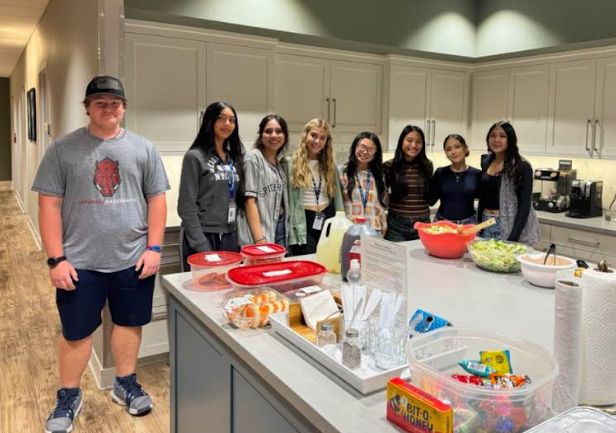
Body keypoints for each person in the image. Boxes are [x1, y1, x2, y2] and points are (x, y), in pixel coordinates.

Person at [32, 76, 170, 433]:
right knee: (76, 332)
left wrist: (154, 248)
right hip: (79, 263)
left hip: (133, 258)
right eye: (100, 102)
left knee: (129, 323)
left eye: (114, 102)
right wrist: (56, 259)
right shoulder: (63, 149)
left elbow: (157, 200)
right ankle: (68, 396)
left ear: (124, 107)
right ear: (87, 107)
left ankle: (125, 383)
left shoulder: (143, 148)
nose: (108, 108)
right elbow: (49, 205)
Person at [177, 102, 244, 270]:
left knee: (227, 283)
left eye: (232, 120)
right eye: (221, 118)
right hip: (203, 235)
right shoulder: (195, 157)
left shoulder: (234, 158)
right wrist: (201, 246)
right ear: (209, 121)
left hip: (229, 235)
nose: (227, 124)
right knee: (204, 284)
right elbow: (186, 206)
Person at [282, 118, 344, 255]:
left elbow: (338, 198)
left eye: (322, 138)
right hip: (303, 219)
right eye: (314, 135)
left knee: (328, 259)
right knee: (308, 259)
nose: (317, 141)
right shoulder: (289, 163)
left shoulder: (330, 165)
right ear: (305, 135)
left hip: (327, 217)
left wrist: (341, 223)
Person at [477, 121, 539, 244]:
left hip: (508, 225)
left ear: (510, 140)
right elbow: (483, 196)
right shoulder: (486, 162)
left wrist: (513, 237)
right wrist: (479, 224)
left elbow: (524, 206)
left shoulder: (521, 166)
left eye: (502, 136)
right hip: (486, 222)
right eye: (492, 135)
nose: (496, 140)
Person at [238, 114, 289, 247]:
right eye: (268, 131)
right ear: (261, 135)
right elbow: (249, 201)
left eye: (278, 131)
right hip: (259, 233)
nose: (274, 135)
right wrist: (259, 240)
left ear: (285, 136)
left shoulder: (278, 163)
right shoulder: (253, 158)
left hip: (278, 229)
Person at [384, 125, 433, 242]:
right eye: (409, 140)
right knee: (397, 254)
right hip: (396, 225)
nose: (414, 145)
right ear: (402, 141)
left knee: (422, 254)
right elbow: (383, 194)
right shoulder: (389, 166)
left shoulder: (427, 165)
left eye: (418, 142)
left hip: (422, 225)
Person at [339, 132, 388, 235]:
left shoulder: (379, 175)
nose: (365, 152)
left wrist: (384, 225)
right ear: (355, 146)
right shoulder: (342, 172)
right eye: (362, 146)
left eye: (371, 150)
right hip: (349, 230)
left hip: (374, 230)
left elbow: (380, 205)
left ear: (375, 154)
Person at [430, 134, 482, 225]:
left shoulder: (477, 174)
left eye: (457, 147)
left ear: (465, 148)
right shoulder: (440, 173)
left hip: (469, 224)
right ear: (446, 153)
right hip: (443, 224)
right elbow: (431, 200)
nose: (453, 152)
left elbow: (484, 201)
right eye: (448, 149)